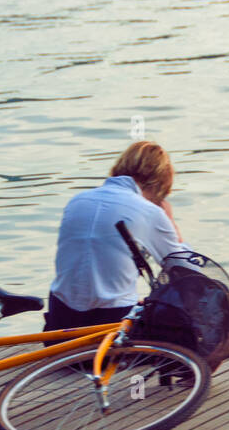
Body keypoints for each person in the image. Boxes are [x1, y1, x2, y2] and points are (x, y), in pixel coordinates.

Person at [45, 141, 190, 331]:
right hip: (111, 325)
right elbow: (184, 270)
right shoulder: (149, 211)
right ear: (159, 183)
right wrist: (171, 223)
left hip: (61, 319)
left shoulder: (77, 201)